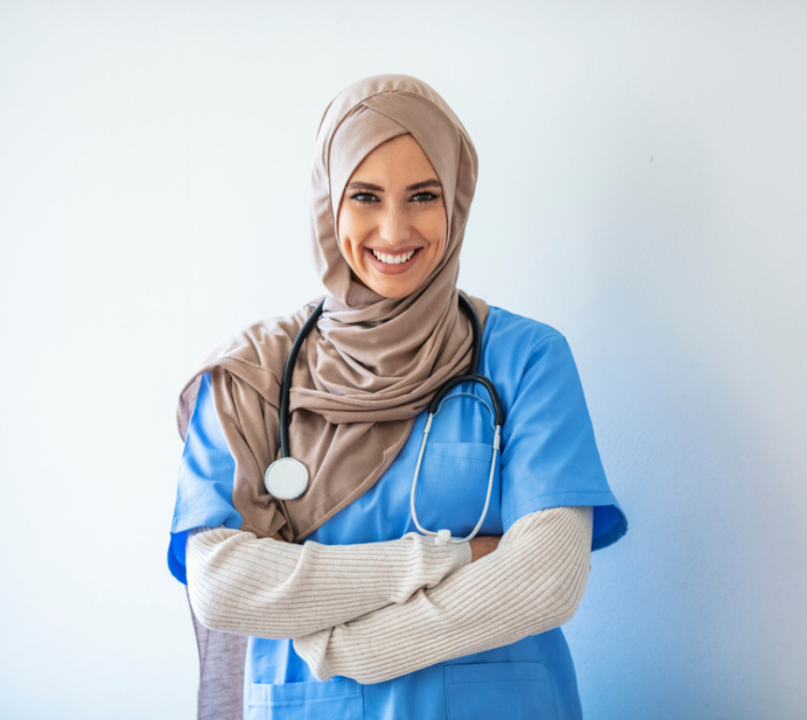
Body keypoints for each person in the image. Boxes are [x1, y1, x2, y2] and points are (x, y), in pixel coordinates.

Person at [167, 74, 627, 720]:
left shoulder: (526, 359)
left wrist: (356, 648)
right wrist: (454, 556)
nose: (394, 228)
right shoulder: (254, 373)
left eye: (422, 195)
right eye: (365, 196)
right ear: (329, 203)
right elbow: (220, 584)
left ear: (456, 201)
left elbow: (545, 579)